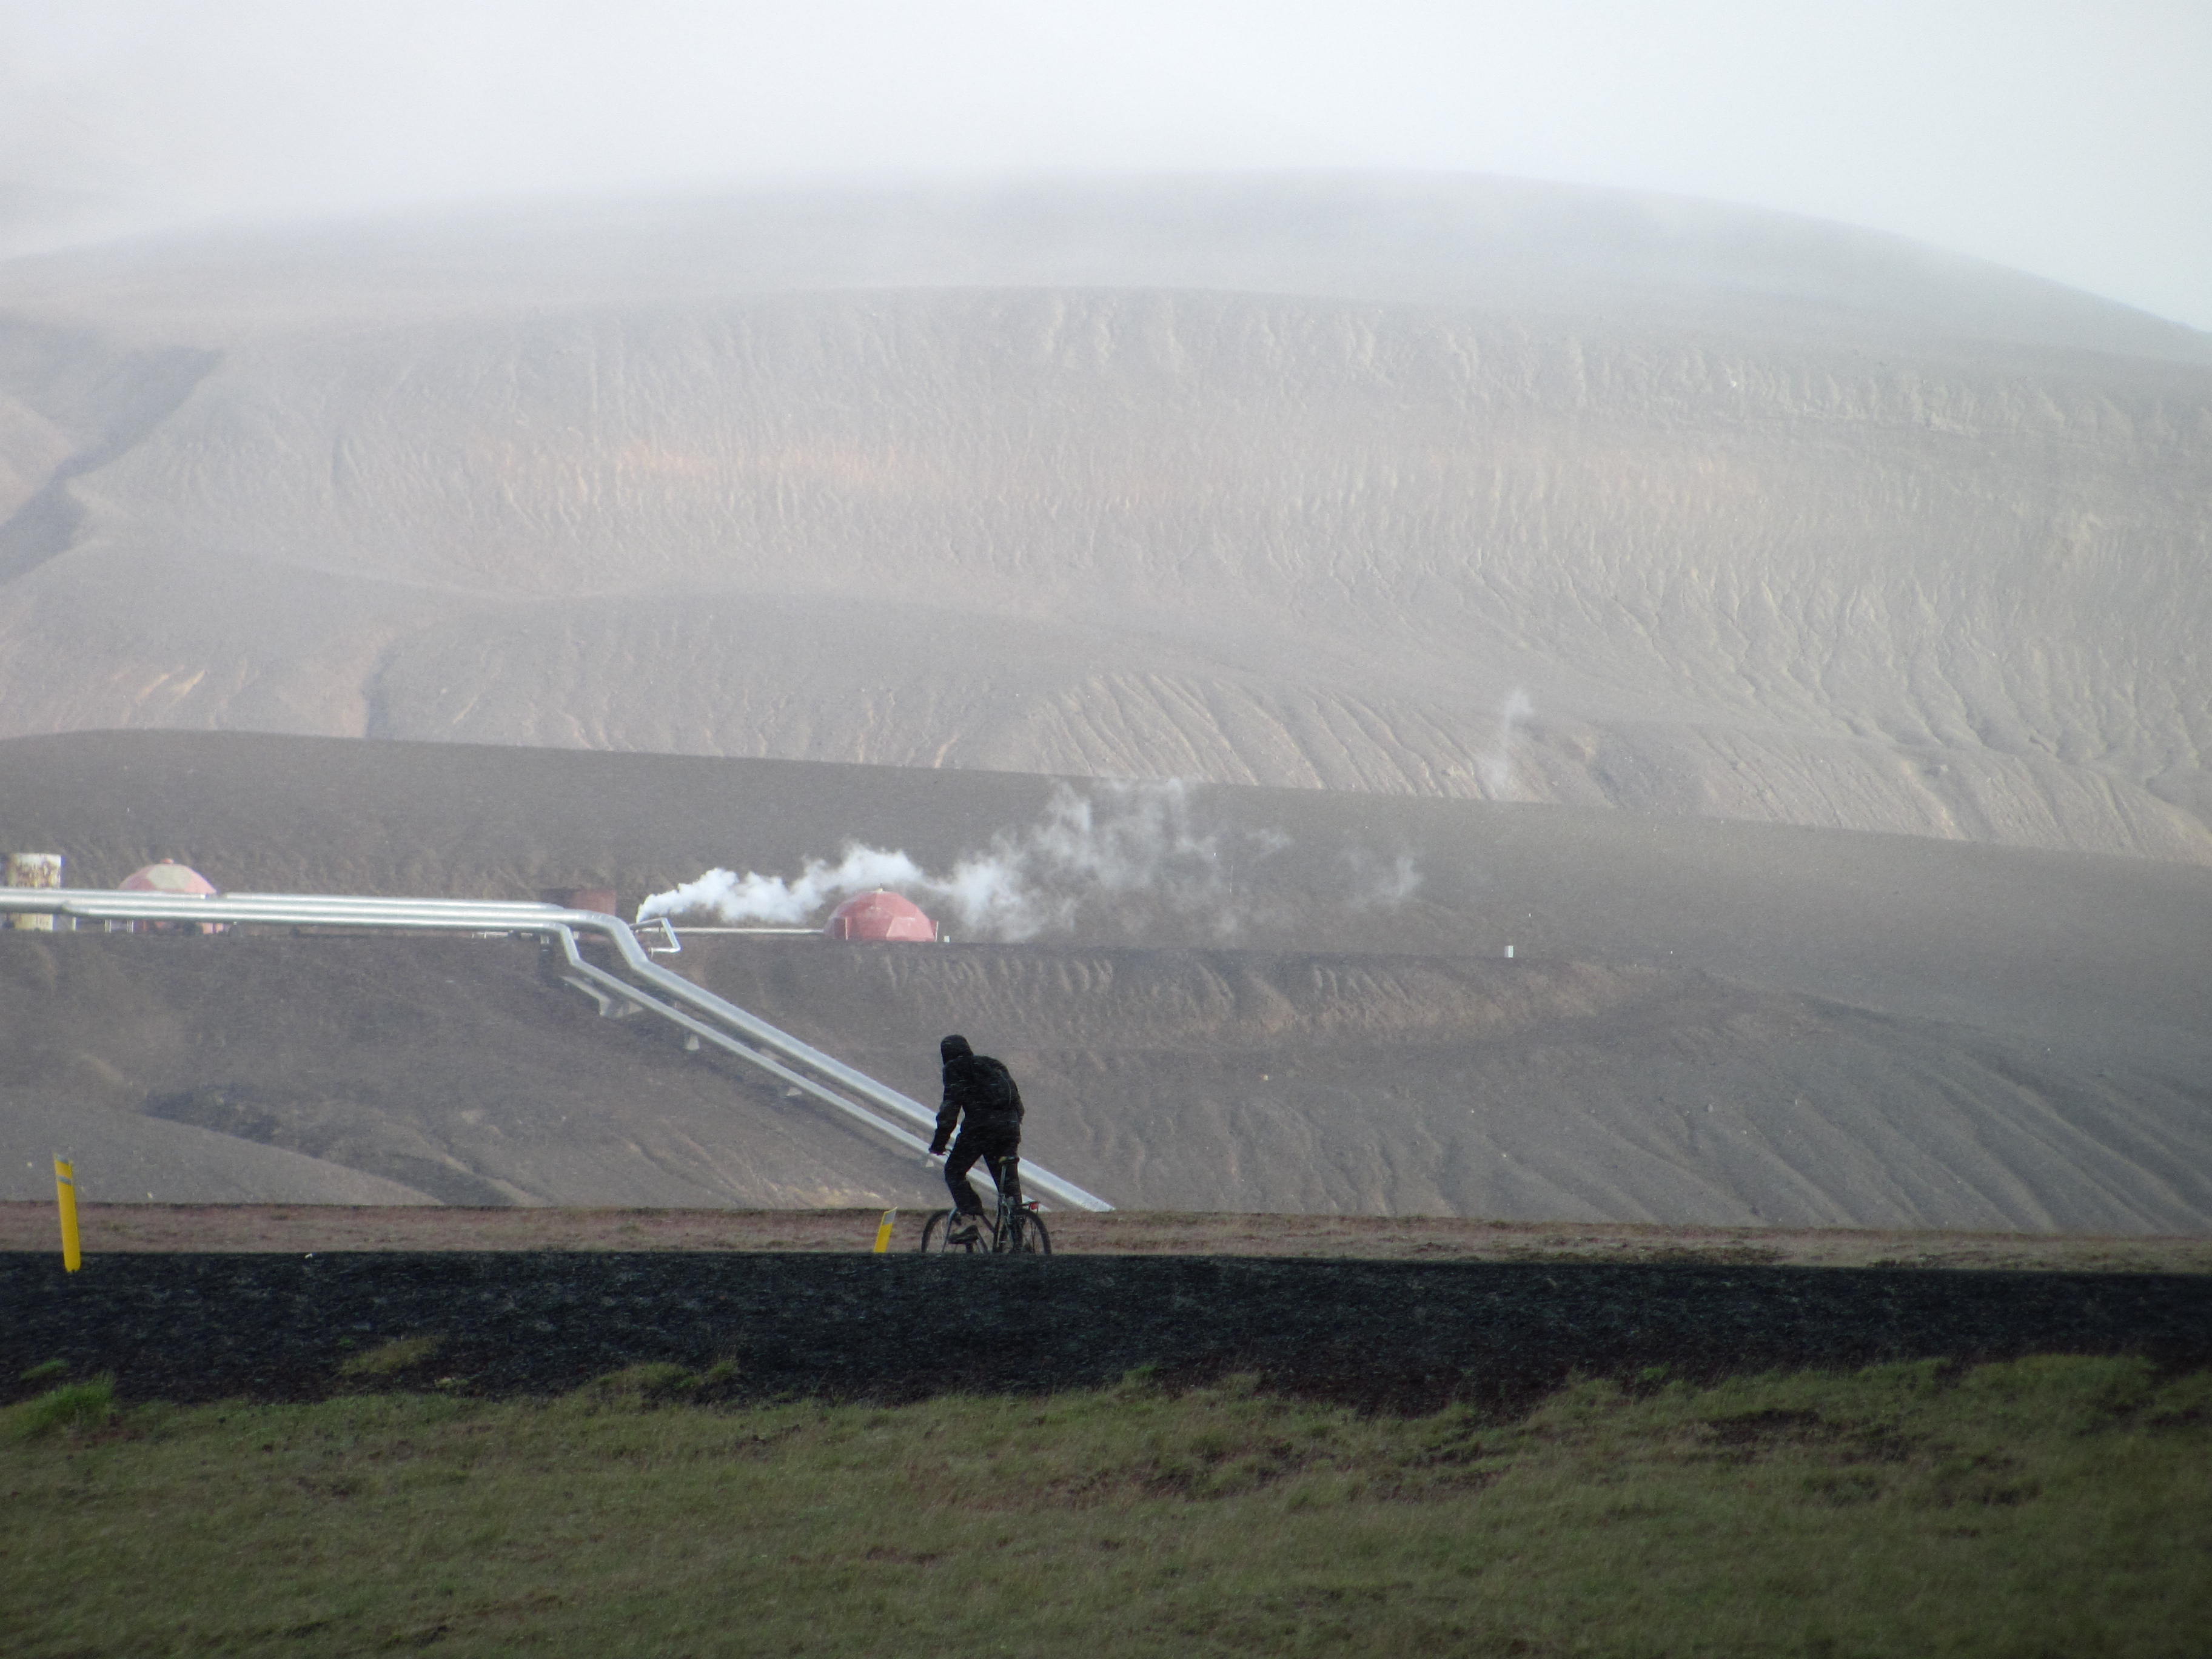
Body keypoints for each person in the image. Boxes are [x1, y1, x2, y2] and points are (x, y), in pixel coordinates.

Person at [928, 1034, 1024, 1239]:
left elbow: (950, 1110)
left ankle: (970, 1220)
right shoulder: (993, 1065)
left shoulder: (955, 1068)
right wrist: (1010, 1128)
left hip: (980, 1130)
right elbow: (1017, 1102)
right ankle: (1019, 1238)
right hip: (1010, 1128)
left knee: (954, 1171)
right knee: (1007, 1186)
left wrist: (939, 1143)